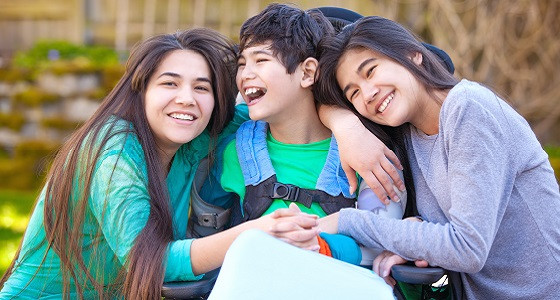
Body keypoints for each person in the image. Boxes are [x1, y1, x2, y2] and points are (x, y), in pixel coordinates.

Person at [0, 28, 320, 299]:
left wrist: (346, 123)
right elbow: (151, 262)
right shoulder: (113, 153)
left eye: (201, 87)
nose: (187, 98)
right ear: (141, 91)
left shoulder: (192, 141)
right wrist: (256, 232)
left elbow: (276, 105)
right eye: (169, 83)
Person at [315, 16, 560, 299]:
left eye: (370, 72)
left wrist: (349, 221)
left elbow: (468, 248)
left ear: (413, 55)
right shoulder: (407, 135)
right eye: (354, 92)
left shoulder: (468, 108)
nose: (367, 94)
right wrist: (344, 125)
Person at [205, 3, 411, 264]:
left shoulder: (366, 153)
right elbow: (206, 237)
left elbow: (378, 242)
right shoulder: (235, 151)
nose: (245, 74)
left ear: (308, 72)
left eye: (261, 60)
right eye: (242, 63)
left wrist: (320, 245)